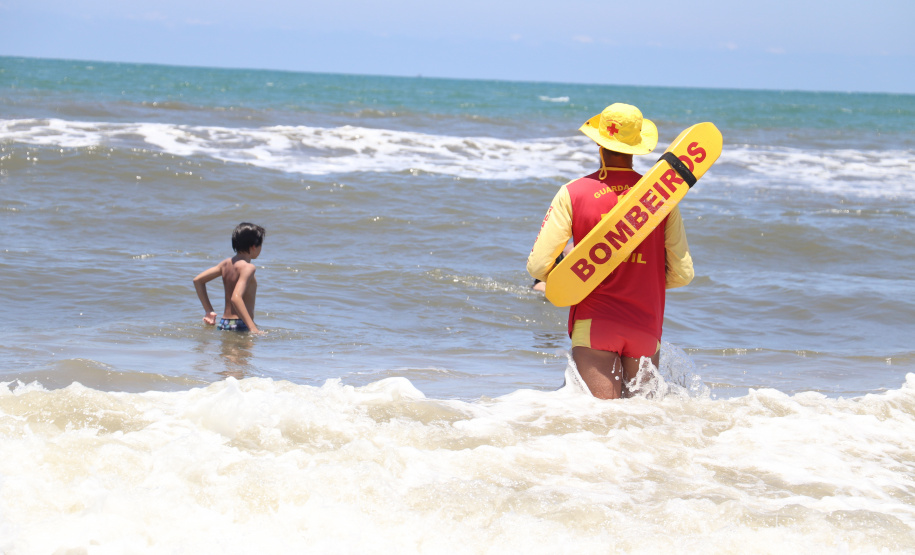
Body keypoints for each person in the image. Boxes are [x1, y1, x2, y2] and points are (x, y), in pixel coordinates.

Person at [527, 103, 693, 399]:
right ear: (636, 146)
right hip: (646, 325)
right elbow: (682, 274)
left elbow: (539, 265)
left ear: (599, 143)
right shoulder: (662, 198)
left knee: (600, 426)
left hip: (595, 323)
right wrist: (640, 275)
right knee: (640, 426)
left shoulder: (573, 192)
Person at [193, 222, 266, 334]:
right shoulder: (248, 268)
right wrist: (253, 328)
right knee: (245, 352)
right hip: (240, 324)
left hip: (224, 323)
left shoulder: (226, 264)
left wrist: (209, 311)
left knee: (226, 352)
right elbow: (236, 298)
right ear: (253, 247)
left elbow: (198, 280)